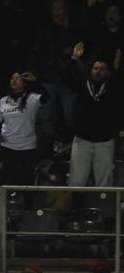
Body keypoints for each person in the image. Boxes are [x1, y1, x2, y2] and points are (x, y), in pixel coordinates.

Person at [65, 42, 121, 187]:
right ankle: (75, 208)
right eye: (95, 68)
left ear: (107, 72)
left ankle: (104, 209)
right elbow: (67, 80)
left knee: (104, 182)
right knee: (77, 180)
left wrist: (117, 69)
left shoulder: (113, 87)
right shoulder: (83, 85)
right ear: (91, 70)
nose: (98, 71)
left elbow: (119, 84)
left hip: (105, 141)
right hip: (82, 141)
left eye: (102, 69)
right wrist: (73, 59)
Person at [0, 71, 47, 191]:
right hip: (7, 145)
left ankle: (27, 207)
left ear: (24, 83)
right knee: (8, 179)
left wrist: (35, 81)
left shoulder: (32, 99)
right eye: (12, 78)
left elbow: (46, 97)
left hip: (26, 147)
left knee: (26, 180)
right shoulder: (3, 100)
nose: (14, 81)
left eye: (18, 78)